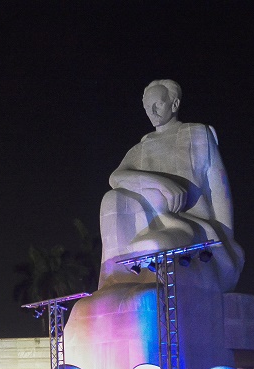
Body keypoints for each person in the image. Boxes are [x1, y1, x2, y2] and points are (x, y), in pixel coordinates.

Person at [97, 79, 243, 291]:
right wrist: (161, 183)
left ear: (174, 105)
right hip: (152, 219)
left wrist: (224, 245)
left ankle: (149, 279)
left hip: (190, 227)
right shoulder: (141, 148)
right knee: (111, 199)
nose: (152, 112)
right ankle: (113, 279)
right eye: (147, 107)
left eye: (158, 104)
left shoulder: (198, 135)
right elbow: (116, 177)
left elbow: (221, 195)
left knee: (157, 245)